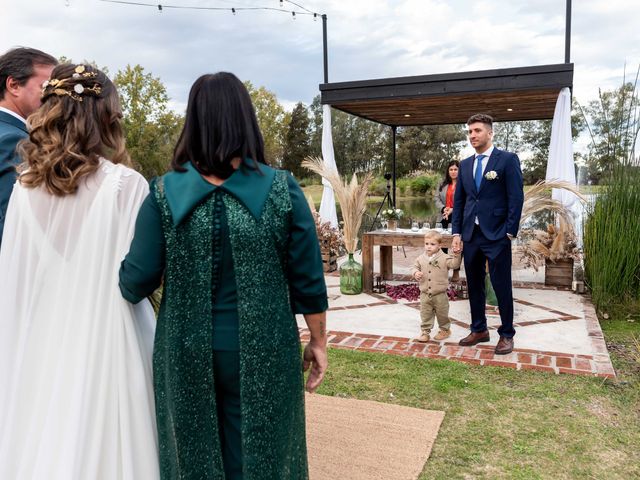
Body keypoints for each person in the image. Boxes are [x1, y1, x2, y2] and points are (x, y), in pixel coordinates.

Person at [119, 72, 328, 480]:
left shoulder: (162, 193)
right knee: (266, 458)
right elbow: (308, 280)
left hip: (184, 351)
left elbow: (136, 280)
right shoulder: (283, 190)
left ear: (192, 121)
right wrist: (318, 342)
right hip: (265, 349)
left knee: (191, 459)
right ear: (246, 119)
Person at [0, 64, 159, 478]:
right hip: (112, 336)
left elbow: (16, 277)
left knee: (49, 438)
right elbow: (138, 277)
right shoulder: (128, 186)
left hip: (44, 334)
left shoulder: (23, 188)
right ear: (105, 116)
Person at [451, 113, 524, 355]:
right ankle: (479, 329)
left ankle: (506, 334)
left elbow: (516, 198)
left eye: (477, 131)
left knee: (501, 285)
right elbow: (460, 202)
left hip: (497, 235)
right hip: (471, 235)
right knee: (473, 285)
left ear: (490, 133)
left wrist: (510, 232)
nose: (472, 135)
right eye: (469, 131)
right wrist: (457, 233)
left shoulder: (507, 160)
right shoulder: (465, 165)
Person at [0, 47, 57, 244]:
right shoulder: (15, 141)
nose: (54, 97)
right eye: (47, 87)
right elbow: (11, 221)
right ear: (14, 85)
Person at [411, 230, 462, 343]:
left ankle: (445, 330)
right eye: (427, 244)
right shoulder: (420, 258)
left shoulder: (444, 258)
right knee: (425, 314)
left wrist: (457, 254)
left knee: (442, 314)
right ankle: (425, 332)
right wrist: (415, 273)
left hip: (440, 294)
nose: (429, 247)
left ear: (440, 245)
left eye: (432, 244)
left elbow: (455, 264)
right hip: (425, 293)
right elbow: (414, 267)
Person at [435, 160, 460, 230]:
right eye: (451, 169)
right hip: (443, 216)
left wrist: (453, 209)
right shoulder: (442, 183)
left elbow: (466, 200)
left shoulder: (463, 184)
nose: (453, 172)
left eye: (455, 169)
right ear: (448, 171)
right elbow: (436, 198)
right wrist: (443, 208)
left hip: (457, 216)